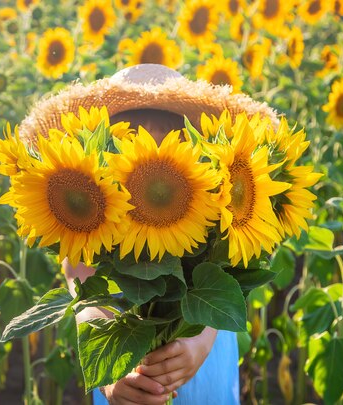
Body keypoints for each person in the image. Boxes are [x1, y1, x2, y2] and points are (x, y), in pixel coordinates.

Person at [18, 64, 278, 405]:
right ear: (104, 153)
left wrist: (199, 342)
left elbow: (223, 282)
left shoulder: (213, 203)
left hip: (203, 360)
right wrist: (111, 370)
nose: (150, 157)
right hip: (127, 377)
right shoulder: (95, 213)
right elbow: (81, 278)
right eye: (131, 146)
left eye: (170, 148)